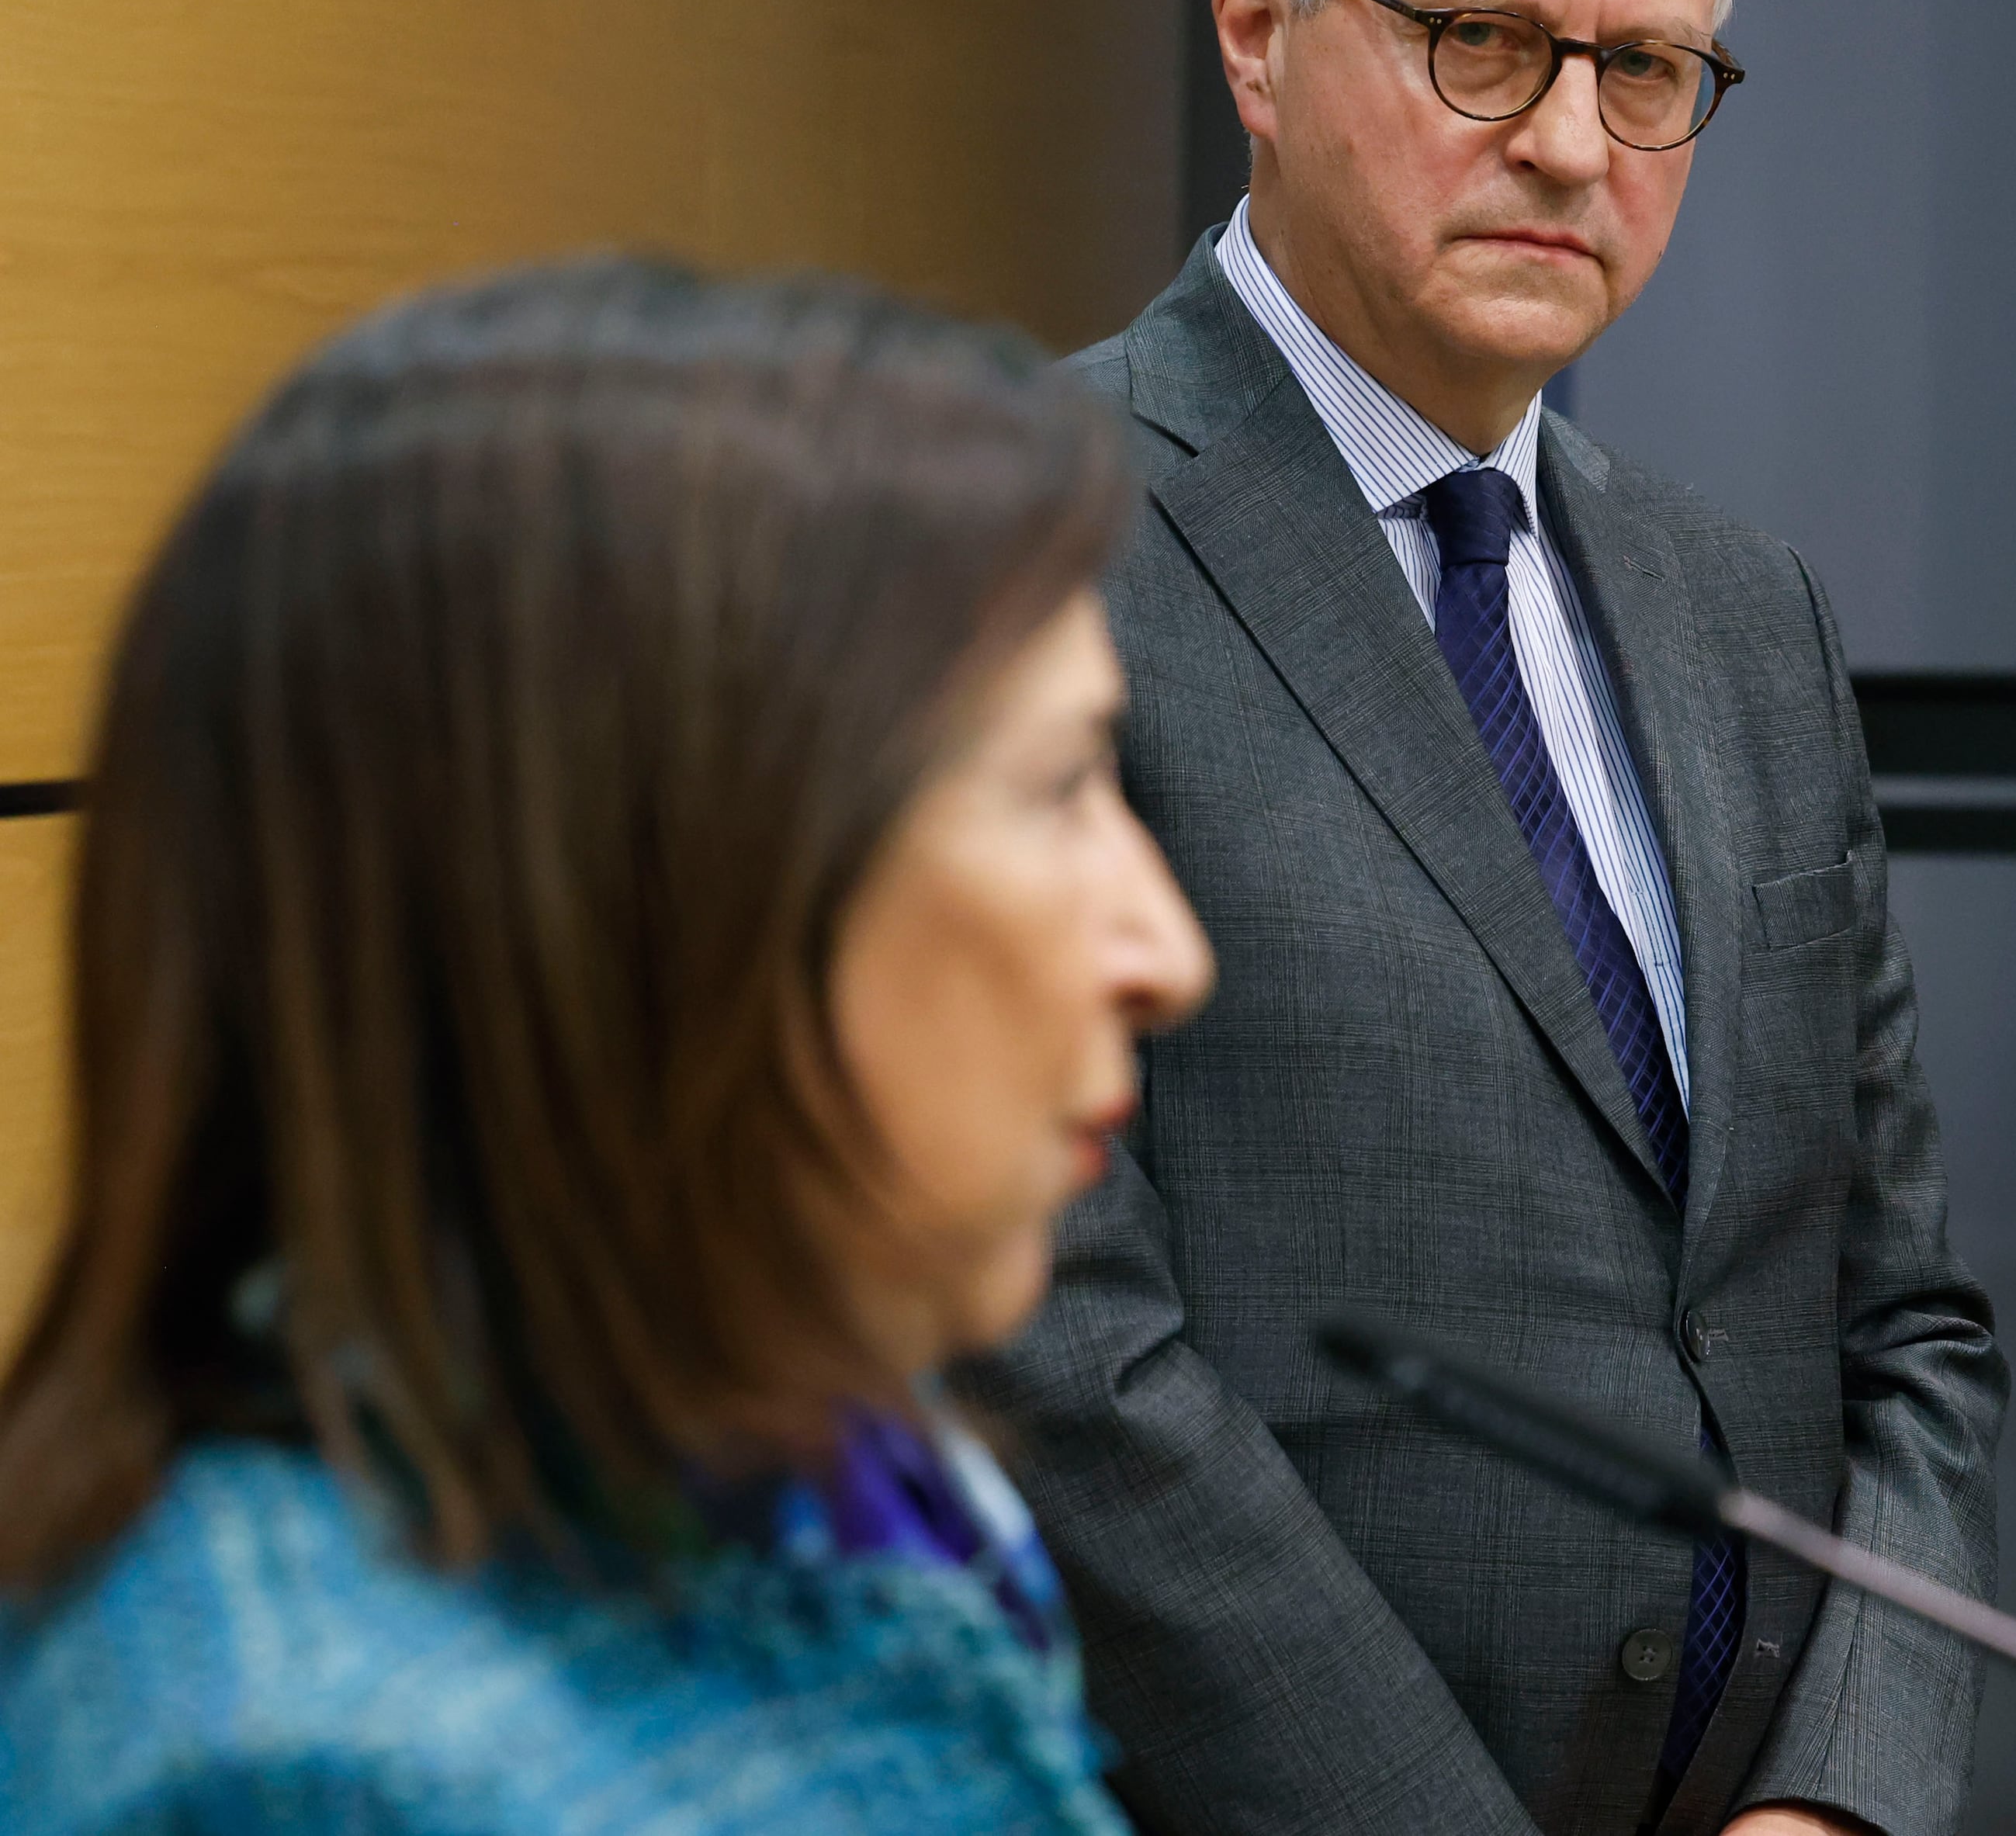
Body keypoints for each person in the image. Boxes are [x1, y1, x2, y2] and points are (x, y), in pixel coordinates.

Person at [960, 0, 2004, 1836]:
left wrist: (1841, 1797)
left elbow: (1899, 1318)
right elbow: (1043, 1333)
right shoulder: (996, 530)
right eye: (1484, 39)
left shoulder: (1749, 615)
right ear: (1259, 26)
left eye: (1646, 66)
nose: (1564, 138)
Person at [0, 260, 1215, 1831]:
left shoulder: (799, 1475)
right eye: (1058, 788)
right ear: (654, 878)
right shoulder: (303, 1772)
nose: (1165, 952)